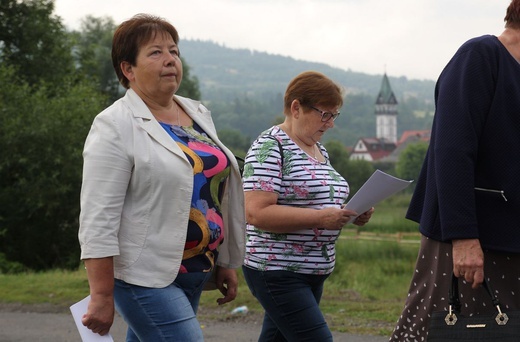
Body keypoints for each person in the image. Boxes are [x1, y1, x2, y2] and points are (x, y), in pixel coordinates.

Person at [78, 14, 245, 341]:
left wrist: (225, 259)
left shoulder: (197, 113)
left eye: (174, 51)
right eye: (155, 53)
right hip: (144, 277)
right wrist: (100, 295)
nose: (170, 60)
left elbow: (209, 193)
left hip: (196, 270)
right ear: (128, 69)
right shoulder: (114, 125)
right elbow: (98, 215)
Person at [390, 1, 520, 341]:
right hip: (472, 238)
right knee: (452, 331)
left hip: (514, 238)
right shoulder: (480, 56)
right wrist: (463, 237)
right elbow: (452, 151)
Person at [241, 71, 374, 341]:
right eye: (325, 114)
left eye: (334, 115)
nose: (330, 124)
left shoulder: (317, 149)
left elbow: (318, 199)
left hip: (314, 269)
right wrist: (320, 219)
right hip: (277, 269)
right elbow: (256, 212)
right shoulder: (269, 146)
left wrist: (351, 211)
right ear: (296, 108)